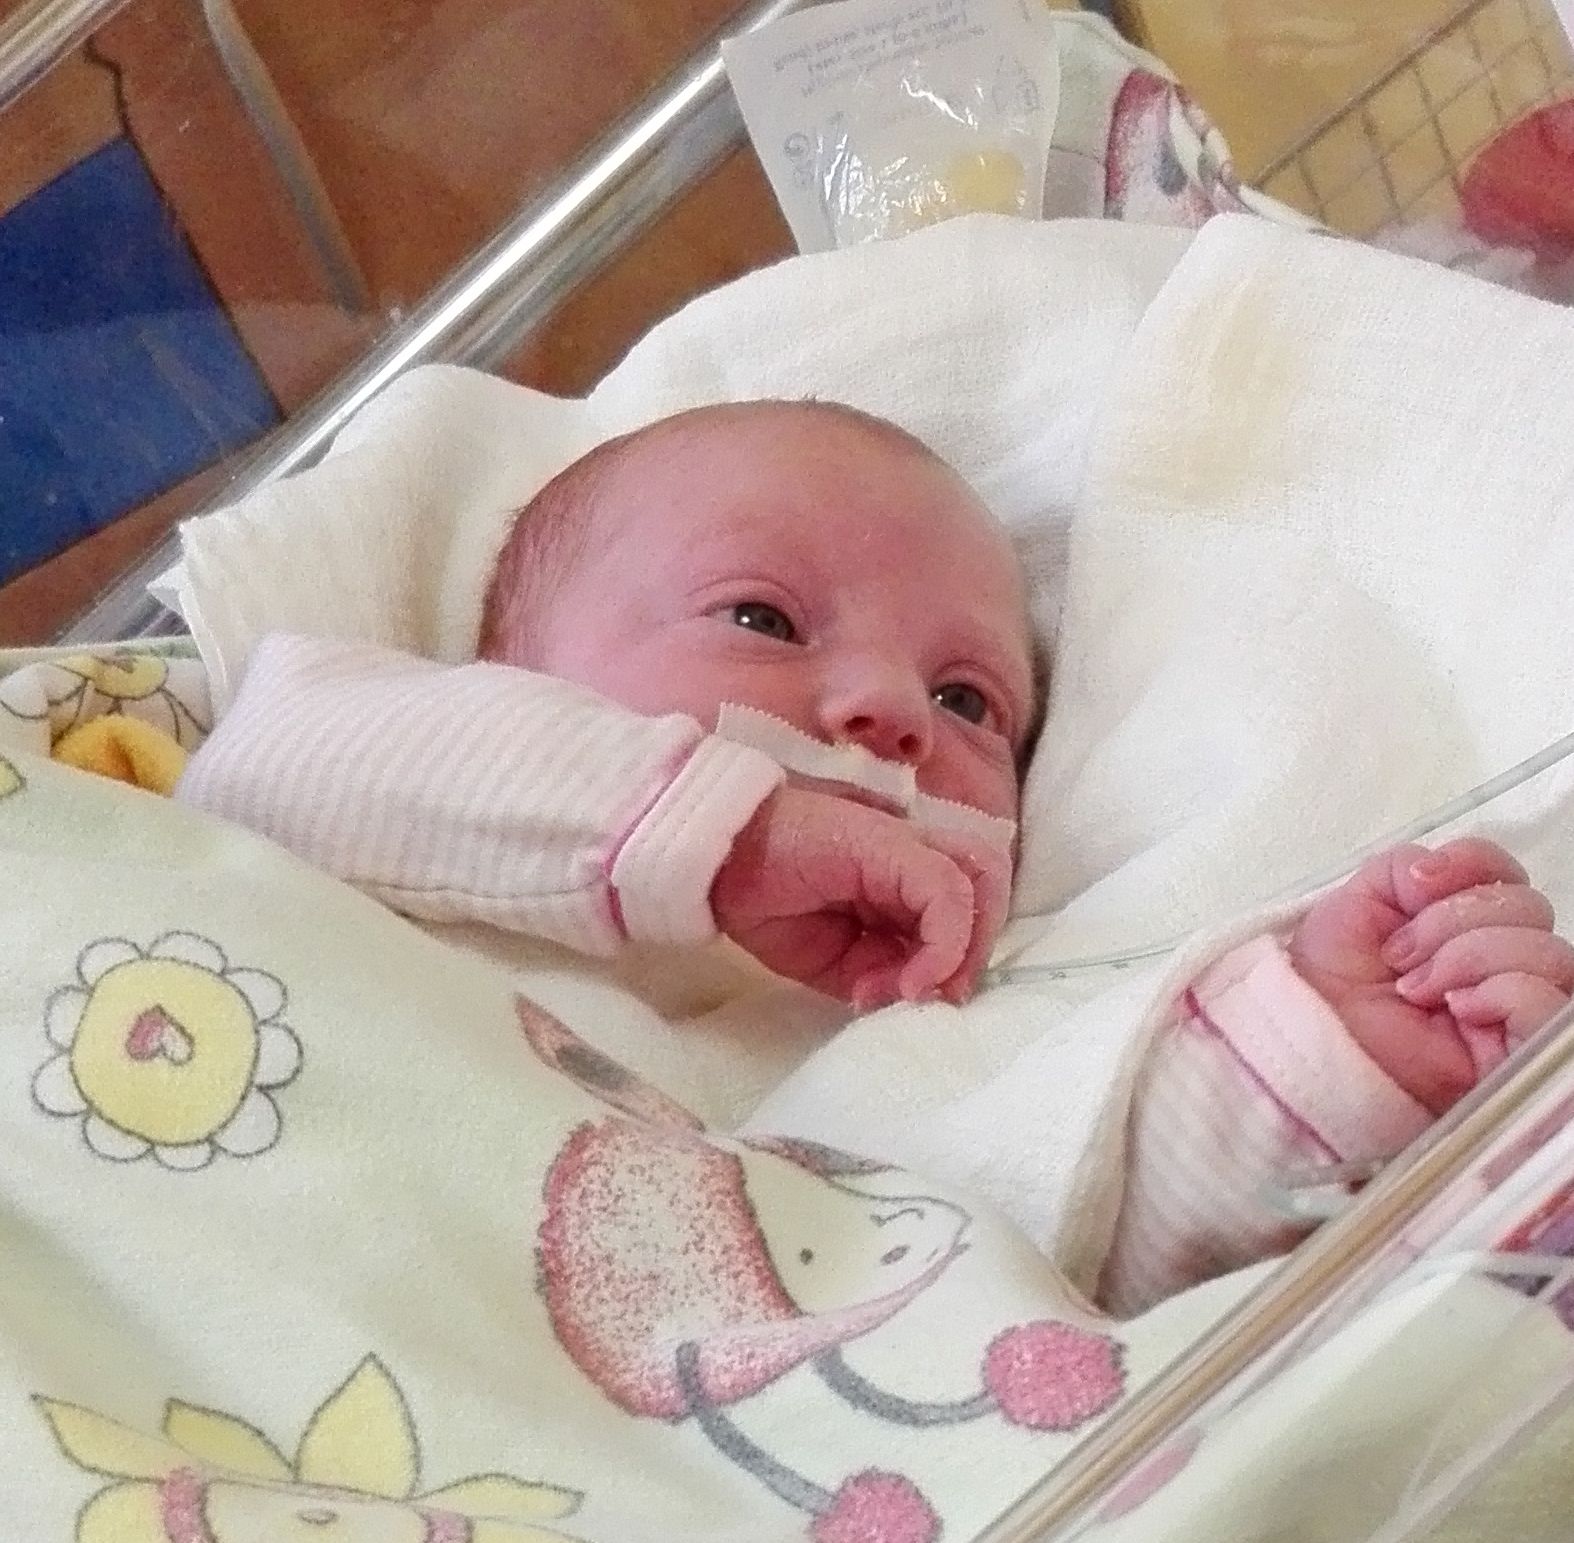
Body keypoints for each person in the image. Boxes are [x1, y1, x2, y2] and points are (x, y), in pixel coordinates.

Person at [175, 398, 1574, 1312]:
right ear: (507, 671)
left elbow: (1034, 1247)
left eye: (970, 704)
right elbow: (264, 763)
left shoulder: (910, 1035)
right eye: (761, 621)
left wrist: (1332, 1057)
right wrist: (722, 833)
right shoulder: (423, 790)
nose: (892, 711)